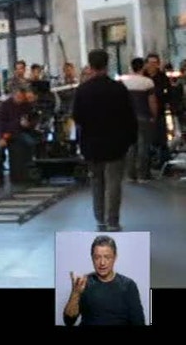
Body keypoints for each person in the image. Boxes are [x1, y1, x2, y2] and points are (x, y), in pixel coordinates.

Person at [73, 49, 138, 232]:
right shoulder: (118, 88)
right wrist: (130, 139)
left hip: (92, 144)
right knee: (114, 182)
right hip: (116, 144)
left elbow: (77, 117)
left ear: (90, 65)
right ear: (107, 64)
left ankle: (100, 218)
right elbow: (129, 116)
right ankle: (113, 221)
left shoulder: (83, 90)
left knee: (97, 182)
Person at [63, 235, 146, 326]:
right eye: (97, 257)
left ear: (115, 257)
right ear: (92, 258)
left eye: (107, 257)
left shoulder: (128, 285)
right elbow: (69, 321)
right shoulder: (83, 283)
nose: (102, 263)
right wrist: (76, 293)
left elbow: (139, 322)